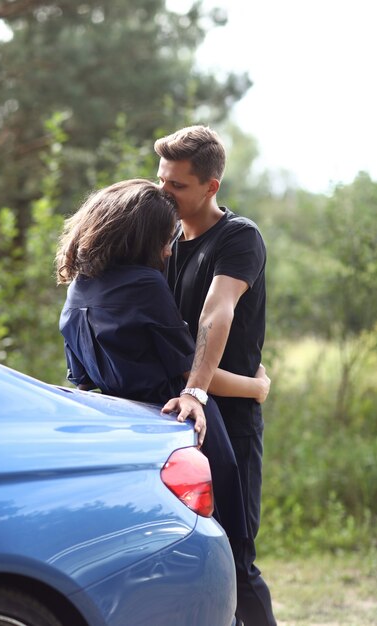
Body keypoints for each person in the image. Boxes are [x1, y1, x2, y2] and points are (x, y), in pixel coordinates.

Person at [56, 178, 270, 549]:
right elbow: (190, 370)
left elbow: (81, 378)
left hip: (124, 433)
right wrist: (256, 387)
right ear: (139, 236)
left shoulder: (79, 289)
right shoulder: (146, 284)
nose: (168, 251)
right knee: (232, 549)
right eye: (162, 239)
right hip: (183, 427)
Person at [154, 125, 276, 626]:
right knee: (182, 563)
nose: (164, 193)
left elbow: (216, 311)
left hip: (231, 424)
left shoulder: (239, 237)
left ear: (211, 186)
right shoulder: (162, 242)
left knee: (236, 562)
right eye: (161, 180)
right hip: (175, 424)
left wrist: (199, 388)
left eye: (177, 185)